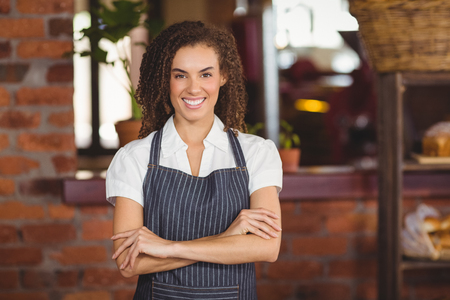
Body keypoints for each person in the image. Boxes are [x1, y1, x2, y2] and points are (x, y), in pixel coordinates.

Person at [106, 20, 283, 300]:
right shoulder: (133, 158)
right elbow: (130, 263)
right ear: (166, 79)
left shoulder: (257, 153)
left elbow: (267, 248)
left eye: (205, 74)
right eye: (180, 75)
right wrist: (228, 239)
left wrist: (169, 248)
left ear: (223, 76)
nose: (193, 88)